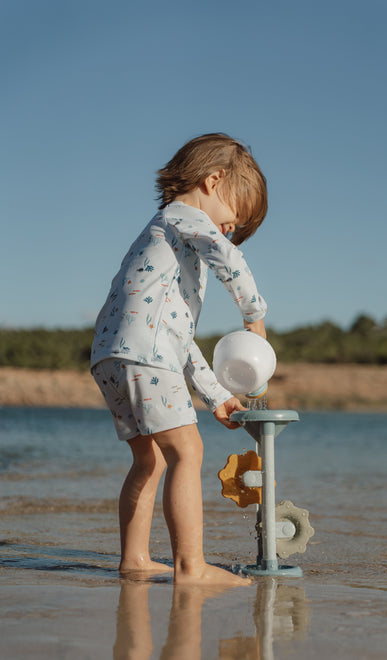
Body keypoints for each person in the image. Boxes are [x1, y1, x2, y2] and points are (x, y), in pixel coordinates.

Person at [91, 133, 268, 586]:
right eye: (233, 220)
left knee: (149, 459)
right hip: (145, 354)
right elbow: (229, 260)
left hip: (115, 355)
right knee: (187, 450)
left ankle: (135, 559)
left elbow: (178, 341)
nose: (228, 232)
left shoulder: (161, 242)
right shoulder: (184, 216)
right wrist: (254, 317)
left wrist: (218, 396)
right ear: (214, 180)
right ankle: (191, 566)